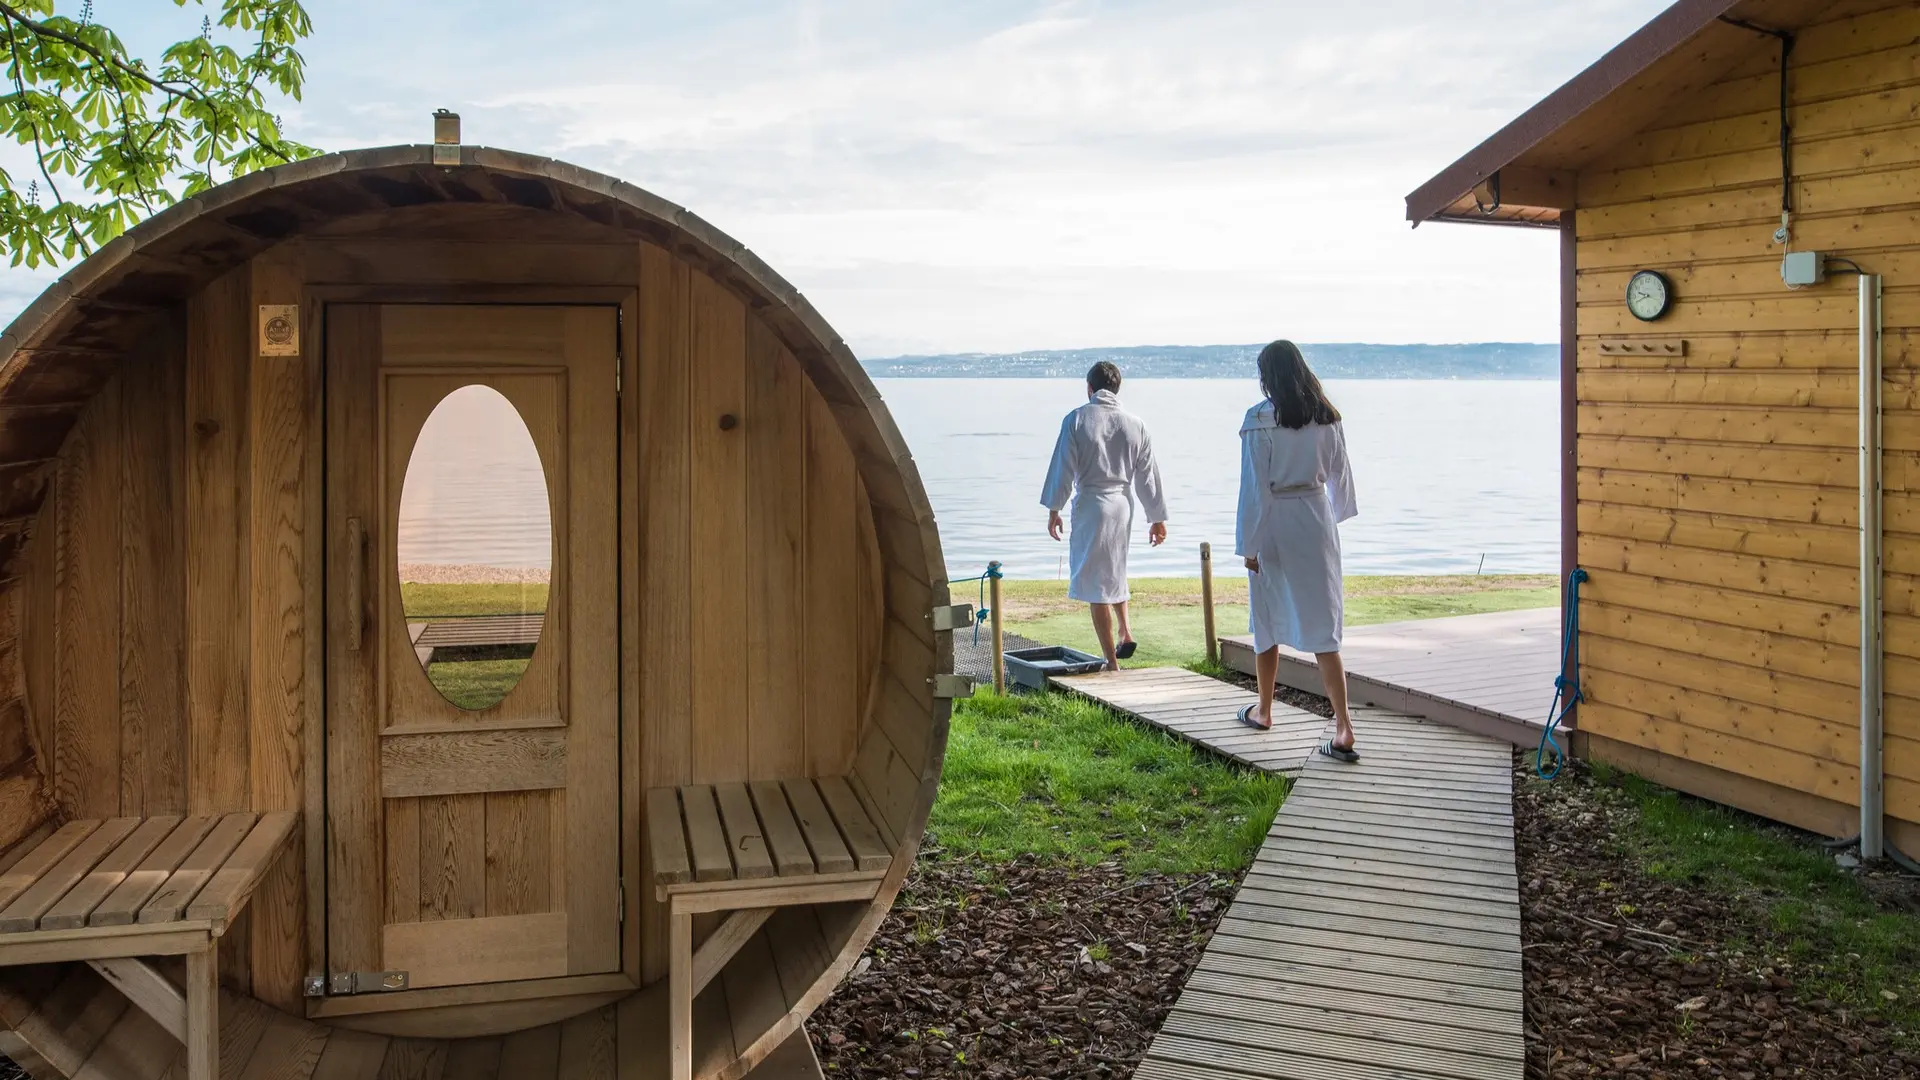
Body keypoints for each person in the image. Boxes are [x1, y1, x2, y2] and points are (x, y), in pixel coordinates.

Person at [1234, 340, 1360, 761]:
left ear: (1268, 376)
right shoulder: (1327, 417)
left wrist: (1248, 546)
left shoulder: (1259, 419)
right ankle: (1343, 726)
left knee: (1267, 618)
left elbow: (1254, 490)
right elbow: (1341, 474)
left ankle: (1265, 710)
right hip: (1316, 519)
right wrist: (1337, 515)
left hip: (1274, 523)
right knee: (1323, 621)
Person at [1040, 362, 1168, 671]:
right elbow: (1147, 476)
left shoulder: (1077, 419)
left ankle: (1111, 662)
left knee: (1096, 584)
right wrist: (1157, 517)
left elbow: (1063, 469)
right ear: (1117, 389)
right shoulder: (1135, 424)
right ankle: (1125, 629)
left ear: (1089, 388)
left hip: (1092, 504)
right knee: (1115, 570)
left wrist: (1054, 509)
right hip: (1123, 504)